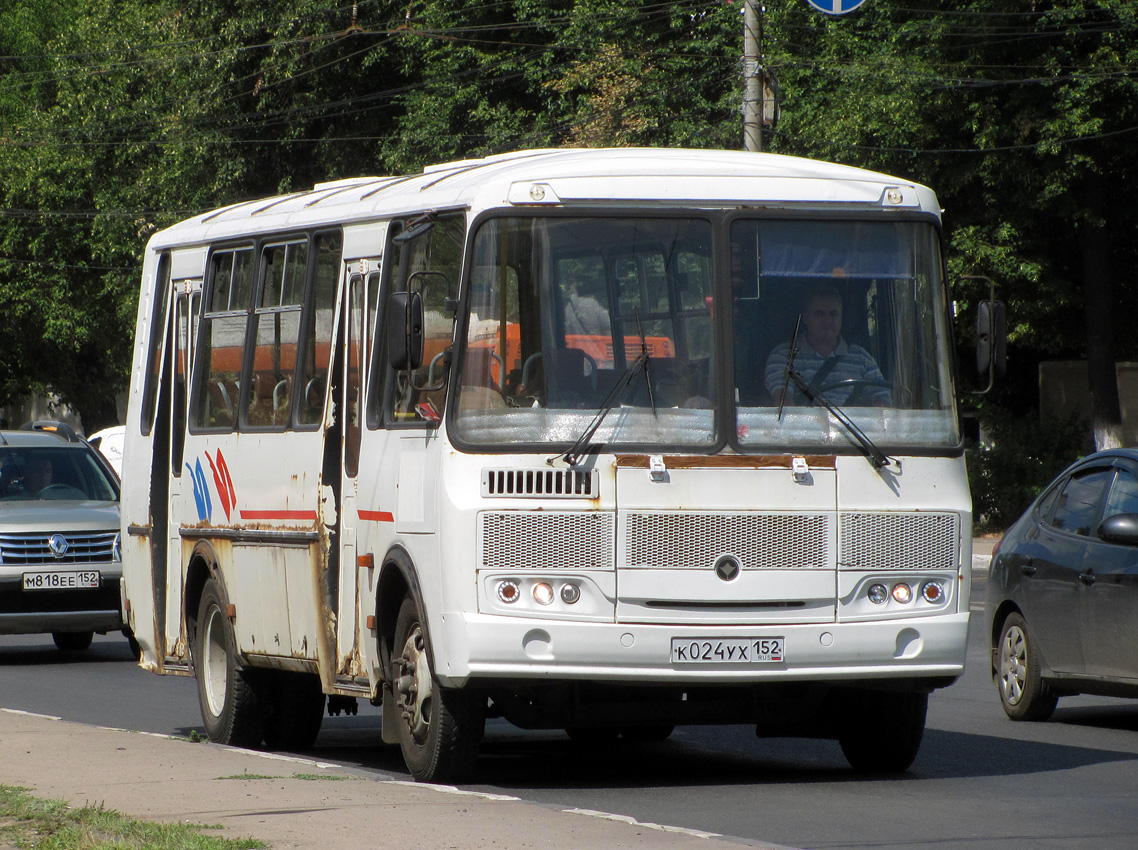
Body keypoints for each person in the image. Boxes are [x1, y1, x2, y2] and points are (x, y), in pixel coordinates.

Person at [764, 284, 890, 407]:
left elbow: (883, 405)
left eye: (833, 314)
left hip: (854, 428)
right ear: (806, 318)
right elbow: (784, 404)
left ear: (841, 316)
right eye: (819, 314)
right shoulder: (784, 356)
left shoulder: (862, 359)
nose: (828, 320)